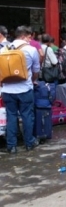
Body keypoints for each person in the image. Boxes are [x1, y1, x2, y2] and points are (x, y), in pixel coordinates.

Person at [1, 25, 40, 153]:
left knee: (11, 117)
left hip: (7, 90)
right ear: (23, 36)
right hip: (25, 88)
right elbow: (36, 70)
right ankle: (29, 142)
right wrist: (33, 80)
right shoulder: (31, 50)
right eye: (29, 37)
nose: (30, 39)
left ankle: (11, 146)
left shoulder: (3, 49)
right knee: (27, 116)